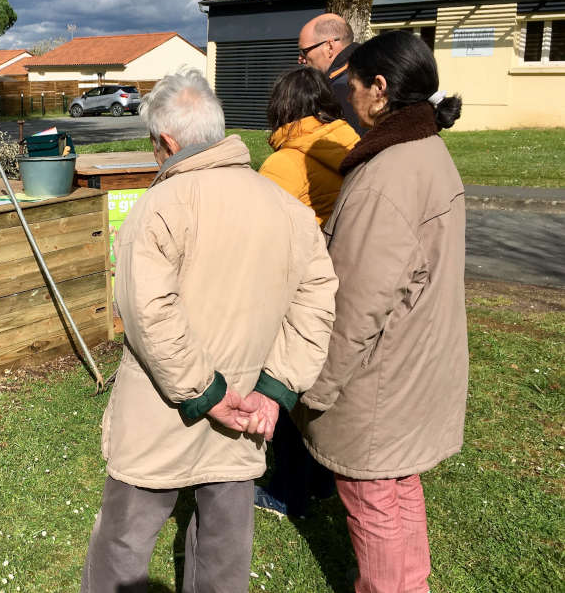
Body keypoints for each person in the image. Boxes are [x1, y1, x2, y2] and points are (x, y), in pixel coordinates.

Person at [81, 68, 338, 593]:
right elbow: (318, 303)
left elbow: (149, 314)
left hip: (164, 410)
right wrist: (275, 391)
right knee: (224, 549)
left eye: (154, 144)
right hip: (248, 411)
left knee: (125, 544)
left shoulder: (156, 208)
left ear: (167, 142)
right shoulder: (289, 210)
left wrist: (207, 394)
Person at [295, 30, 468, 592]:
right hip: (416, 361)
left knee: (373, 497)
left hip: (381, 379)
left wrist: (318, 390)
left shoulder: (386, 174)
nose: (347, 96)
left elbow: (357, 307)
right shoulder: (427, 149)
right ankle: (409, 582)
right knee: (397, 484)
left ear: (382, 88)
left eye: (354, 86)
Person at [254, 67, 359, 518]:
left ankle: (286, 488)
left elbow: (262, 235)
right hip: (342, 283)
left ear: (282, 109)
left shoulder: (284, 163)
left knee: (285, 381)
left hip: (295, 288)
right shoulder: (350, 146)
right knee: (319, 383)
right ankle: (320, 480)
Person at [298, 13, 364, 134]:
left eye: (304, 52)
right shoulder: (366, 69)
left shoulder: (342, 88)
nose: (300, 59)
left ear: (329, 47)